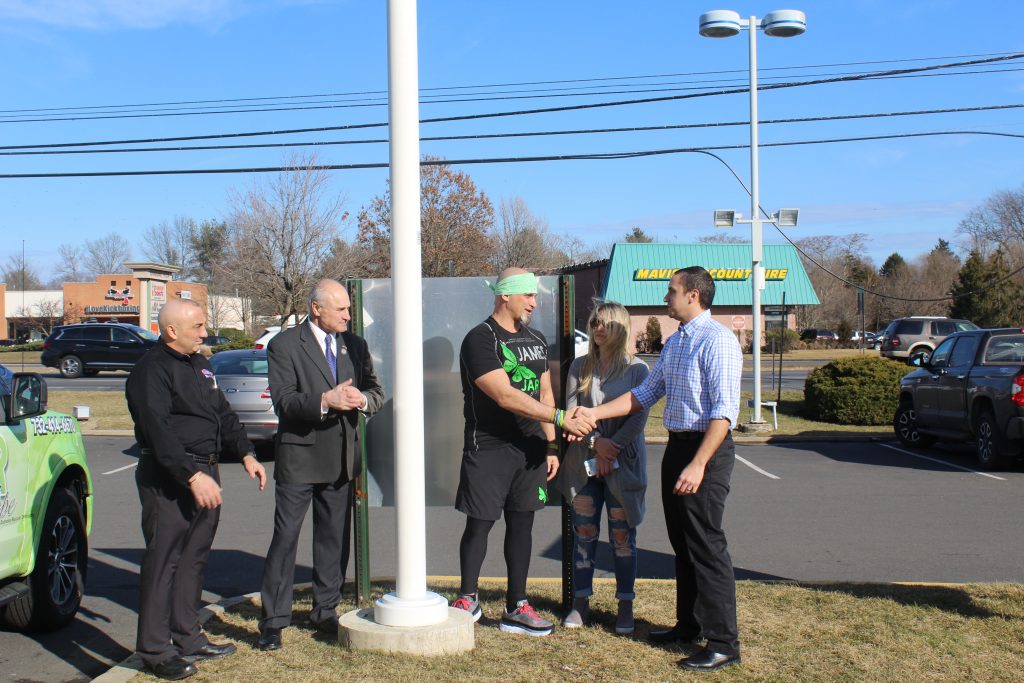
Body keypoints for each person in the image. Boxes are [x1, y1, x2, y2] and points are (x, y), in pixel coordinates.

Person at [569, 266, 743, 672]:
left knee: (706, 545)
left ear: (694, 296)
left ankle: (723, 643)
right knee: (682, 543)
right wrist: (593, 413)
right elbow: (644, 394)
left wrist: (699, 464)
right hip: (678, 449)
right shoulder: (678, 341)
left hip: (705, 451)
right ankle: (690, 624)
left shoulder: (716, 341)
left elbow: (723, 413)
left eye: (672, 291)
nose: (667, 298)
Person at [127, 298, 267, 681]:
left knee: (194, 559)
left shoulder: (201, 365)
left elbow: (222, 412)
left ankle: (187, 636)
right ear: (172, 330)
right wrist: (191, 476)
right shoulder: (149, 371)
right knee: (164, 562)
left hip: (206, 474)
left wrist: (246, 453)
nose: (205, 334)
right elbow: (157, 430)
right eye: (198, 327)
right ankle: (156, 650)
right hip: (171, 479)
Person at [451, 268, 596, 636]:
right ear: (505, 296)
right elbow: (504, 395)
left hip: (530, 448)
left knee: (523, 523)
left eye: (535, 295)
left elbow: (545, 393)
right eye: (527, 295)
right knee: (480, 523)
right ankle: (468, 598)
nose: (534, 302)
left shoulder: (535, 337)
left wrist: (550, 444)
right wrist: (560, 418)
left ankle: (517, 605)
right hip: (489, 447)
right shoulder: (479, 339)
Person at [257, 279, 383, 651]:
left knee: (333, 539)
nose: (348, 315)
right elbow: (284, 402)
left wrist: (362, 400)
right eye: (341, 309)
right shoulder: (284, 345)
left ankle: (325, 608)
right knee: (286, 540)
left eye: (348, 308)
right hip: (299, 458)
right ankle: (274, 621)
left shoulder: (355, 346)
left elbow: (376, 392)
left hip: (342, 459)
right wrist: (325, 401)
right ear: (316, 308)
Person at [557, 301, 649, 635]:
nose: (598, 328)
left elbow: (639, 416)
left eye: (605, 323)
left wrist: (613, 449)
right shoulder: (579, 367)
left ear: (620, 328)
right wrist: (598, 445)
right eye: (594, 322)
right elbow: (571, 412)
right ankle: (581, 603)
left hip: (624, 464)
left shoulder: (638, 370)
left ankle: (626, 605)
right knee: (584, 533)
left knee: (623, 537)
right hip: (583, 463)